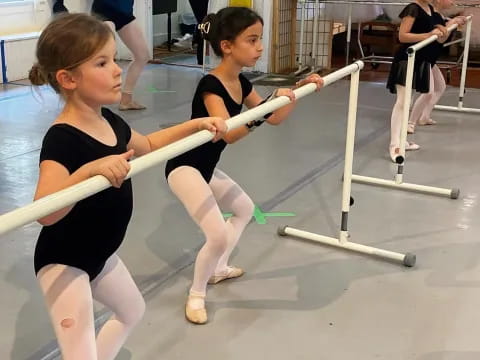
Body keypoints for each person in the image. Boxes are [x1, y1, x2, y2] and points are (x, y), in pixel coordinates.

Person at [29, 13, 226, 359]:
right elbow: (44, 211)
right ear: (68, 78)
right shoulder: (62, 139)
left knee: (132, 311)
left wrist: (194, 125)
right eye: (102, 63)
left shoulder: (111, 121)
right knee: (79, 353)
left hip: (100, 254)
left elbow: (148, 145)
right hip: (64, 260)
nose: (118, 69)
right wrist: (88, 172)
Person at [164, 7, 324, 325]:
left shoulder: (241, 81)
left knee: (244, 210)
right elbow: (231, 132)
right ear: (227, 46)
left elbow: (273, 117)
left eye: (259, 39)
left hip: (206, 168)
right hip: (185, 169)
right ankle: (196, 294)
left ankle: (218, 268)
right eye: (252, 40)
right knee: (217, 235)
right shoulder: (210, 86)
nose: (260, 47)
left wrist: (295, 93)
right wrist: (267, 106)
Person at [386, 0, 446, 162]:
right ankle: (394, 145)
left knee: (408, 101)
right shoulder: (413, 8)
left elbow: (436, 35)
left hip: (419, 60)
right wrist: (428, 35)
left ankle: (402, 140)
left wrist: (441, 31)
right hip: (405, 60)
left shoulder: (430, 9)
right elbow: (402, 36)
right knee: (402, 102)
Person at [91, 0, 150, 111]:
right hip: (104, 11)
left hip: (124, 13)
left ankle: (126, 100)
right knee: (102, 57)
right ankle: (93, 103)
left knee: (142, 55)